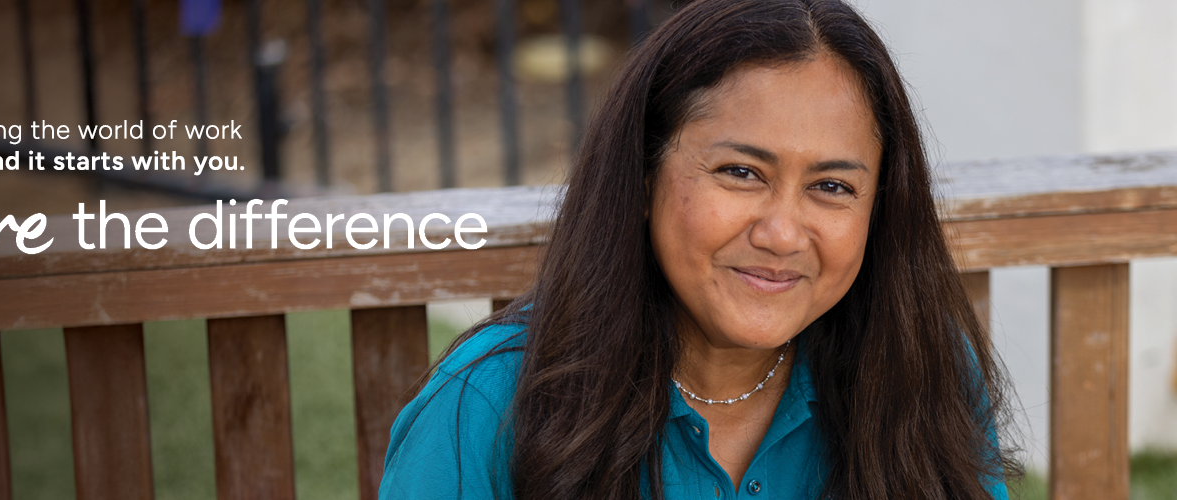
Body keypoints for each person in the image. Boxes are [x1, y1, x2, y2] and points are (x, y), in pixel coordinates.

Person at [379, 0, 1021, 498]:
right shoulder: (485, 408)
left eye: (831, 186)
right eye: (741, 172)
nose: (781, 233)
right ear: (643, 174)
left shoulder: (919, 370)